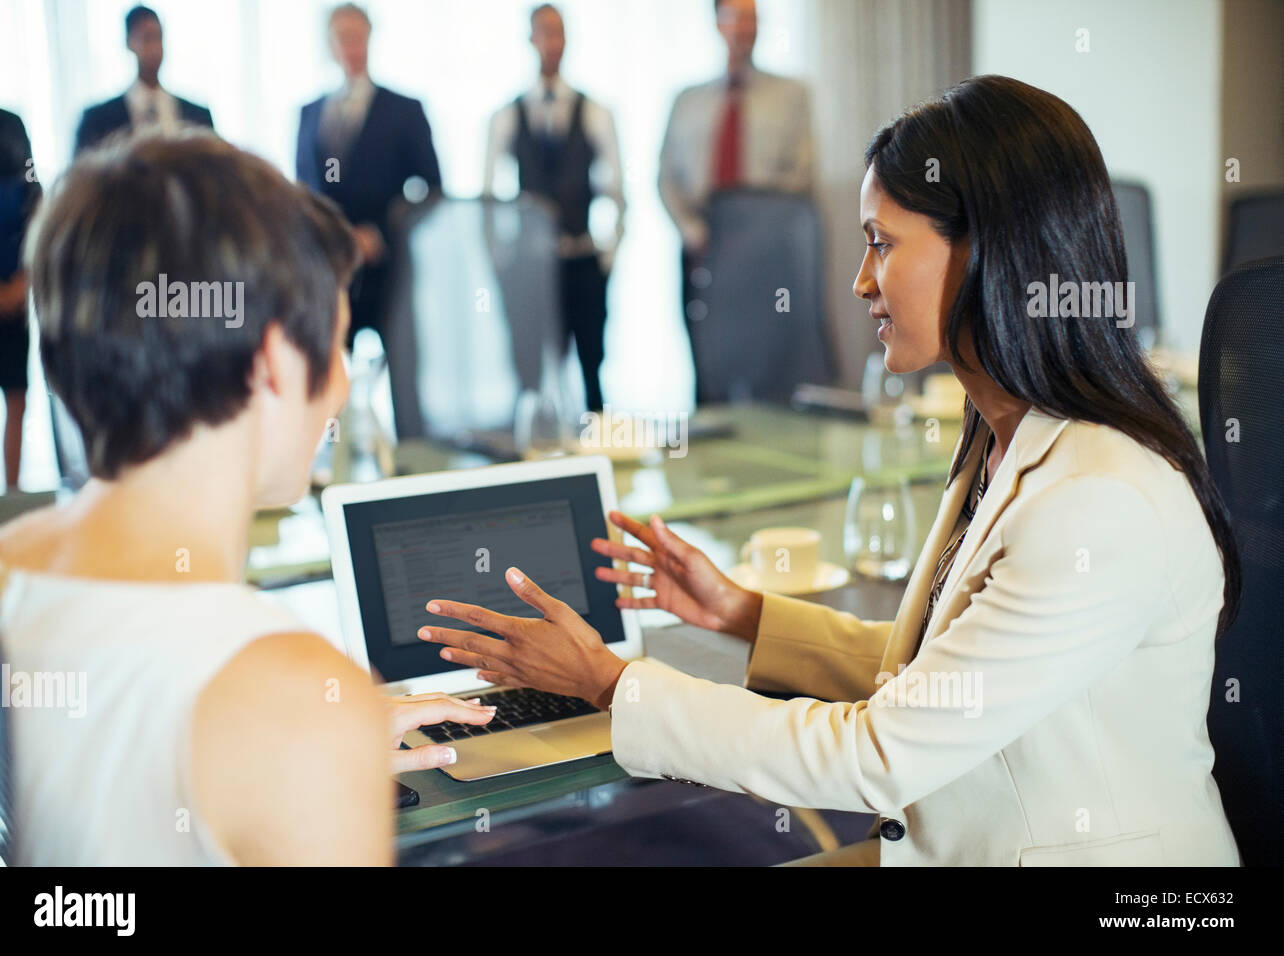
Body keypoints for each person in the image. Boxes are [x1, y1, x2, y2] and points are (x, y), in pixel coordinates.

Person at [421, 75, 1244, 867]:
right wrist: (742, 611)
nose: (860, 282)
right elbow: (936, 677)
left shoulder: (1099, 501)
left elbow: (878, 753)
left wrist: (609, 683)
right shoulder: (1004, 438)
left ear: (988, 250)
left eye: (880, 245)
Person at [0, 131, 494, 865]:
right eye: (342, 346)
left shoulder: (4, 570)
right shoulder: (298, 704)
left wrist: (305, 753)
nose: (343, 386)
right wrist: (318, 741)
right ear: (278, 363)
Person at [658, 0, 813, 404]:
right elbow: (666, 178)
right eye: (736, 17)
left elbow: (800, 174)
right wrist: (693, 231)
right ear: (718, 23)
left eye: (752, 18)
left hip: (765, 256)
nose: (744, 28)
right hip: (703, 251)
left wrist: (754, 228)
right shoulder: (687, 101)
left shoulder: (790, 95)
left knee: (766, 366)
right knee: (709, 365)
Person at [484, 3, 625, 412]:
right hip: (531, 266)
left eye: (558, 32)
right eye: (543, 32)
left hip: (581, 260)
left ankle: (597, 449)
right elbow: (490, 196)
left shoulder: (595, 111)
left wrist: (606, 255)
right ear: (531, 39)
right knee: (532, 375)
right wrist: (503, 260)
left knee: (591, 368)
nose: (551, 42)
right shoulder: (508, 115)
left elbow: (617, 192)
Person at [296, 2, 442, 349]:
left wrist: (384, 234)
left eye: (358, 37)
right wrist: (336, 237)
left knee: (401, 373)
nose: (352, 47)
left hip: (388, 273)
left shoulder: (404, 111)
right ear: (330, 44)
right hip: (331, 273)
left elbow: (432, 190)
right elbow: (304, 192)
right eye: (343, 38)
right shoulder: (310, 114)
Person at [0, 16, 40, 490]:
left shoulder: (12, 126)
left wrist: (24, 280)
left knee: (16, 394)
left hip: (15, 289)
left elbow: (32, 201)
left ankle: (12, 499)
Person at [74, 5, 214, 154]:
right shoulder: (97, 120)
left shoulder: (199, 116)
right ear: (129, 42)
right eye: (146, 38)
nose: (154, 48)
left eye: (158, 37)